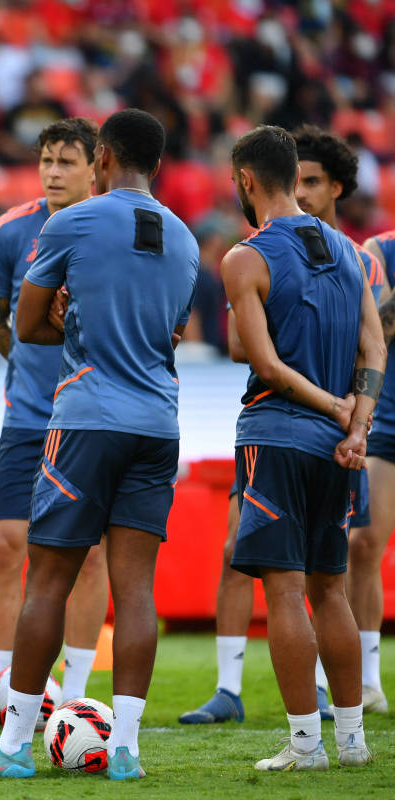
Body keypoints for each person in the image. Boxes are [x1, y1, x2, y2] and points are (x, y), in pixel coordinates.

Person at [0, 109, 198, 780]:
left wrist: (70, 318)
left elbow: (27, 324)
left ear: (105, 158)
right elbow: (174, 335)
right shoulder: (184, 238)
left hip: (87, 417)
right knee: (136, 589)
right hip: (159, 423)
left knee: (48, 581)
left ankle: (12, 750)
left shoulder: (73, 222)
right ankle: (125, 747)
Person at [180, 125, 384, 725]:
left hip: (277, 435)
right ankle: (351, 739)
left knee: (287, 592)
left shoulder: (245, 256)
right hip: (340, 447)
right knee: (332, 591)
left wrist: (330, 408)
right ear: (296, 176)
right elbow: (375, 347)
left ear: (244, 179)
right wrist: (356, 426)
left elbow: (261, 361)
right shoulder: (351, 251)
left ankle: (303, 745)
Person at [0, 118, 111, 735]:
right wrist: (30, 362)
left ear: (97, 167)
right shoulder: (11, 230)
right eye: (46, 160)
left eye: (67, 161)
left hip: (92, 419)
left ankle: (78, 699)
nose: (53, 172)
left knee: (88, 556)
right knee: (5, 545)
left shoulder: (113, 228)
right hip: (27, 418)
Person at [357, 227, 395, 715]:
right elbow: (379, 330)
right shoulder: (380, 251)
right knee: (363, 543)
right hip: (388, 421)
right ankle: (369, 681)